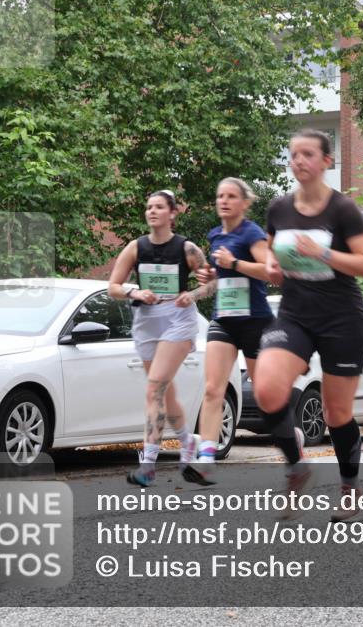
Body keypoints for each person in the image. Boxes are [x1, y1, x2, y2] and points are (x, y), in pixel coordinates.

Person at [252, 129, 363, 522]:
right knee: (268, 391)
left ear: (327, 161)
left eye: (307, 154)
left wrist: (323, 252)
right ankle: (297, 466)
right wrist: (271, 264)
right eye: (293, 155)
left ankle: (349, 487)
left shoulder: (342, 210)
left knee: (336, 414)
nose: (298, 161)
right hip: (295, 314)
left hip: (342, 318)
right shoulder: (278, 208)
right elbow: (271, 255)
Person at [108, 190, 213, 486]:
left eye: (158, 207)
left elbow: (210, 283)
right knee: (165, 393)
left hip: (178, 321)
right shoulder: (136, 247)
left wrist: (191, 294)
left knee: (154, 388)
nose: (152, 212)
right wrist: (135, 291)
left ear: (172, 213)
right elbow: (113, 286)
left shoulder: (186, 248)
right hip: (146, 322)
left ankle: (148, 464)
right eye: (148, 207)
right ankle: (187, 443)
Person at [183, 178, 274, 485]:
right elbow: (219, 278)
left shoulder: (252, 233)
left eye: (231, 196)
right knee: (212, 389)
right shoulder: (214, 234)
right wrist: (209, 274)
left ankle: (292, 436)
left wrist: (234, 262)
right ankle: (207, 458)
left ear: (244, 203)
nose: (223, 201)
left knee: (264, 394)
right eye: (220, 195)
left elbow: (269, 271)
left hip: (255, 319)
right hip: (224, 318)